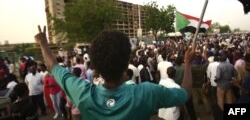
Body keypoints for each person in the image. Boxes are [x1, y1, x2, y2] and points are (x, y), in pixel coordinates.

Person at [34, 26, 195, 120]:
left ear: (95, 68)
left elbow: (52, 66)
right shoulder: (147, 92)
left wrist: (43, 43)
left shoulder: (82, 93)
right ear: (127, 64)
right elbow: (185, 93)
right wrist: (187, 63)